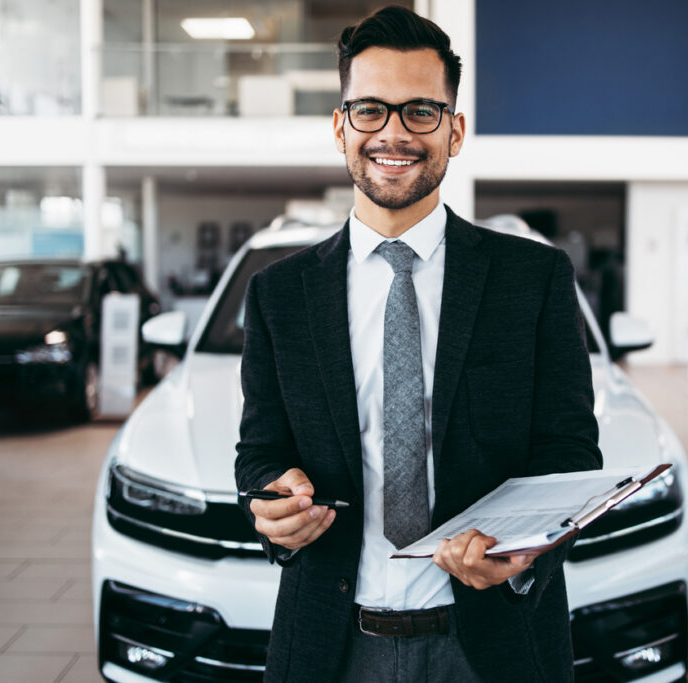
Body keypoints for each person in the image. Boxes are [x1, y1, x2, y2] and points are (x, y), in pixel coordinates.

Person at [235, 7, 602, 682]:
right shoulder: (278, 294)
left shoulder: (534, 279)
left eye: (420, 112)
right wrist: (272, 502)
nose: (394, 133)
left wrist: (523, 550)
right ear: (341, 127)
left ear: (455, 130)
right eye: (370, 110)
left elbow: (569, 454)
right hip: (331, 646)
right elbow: (259, 452)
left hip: (495, 645)